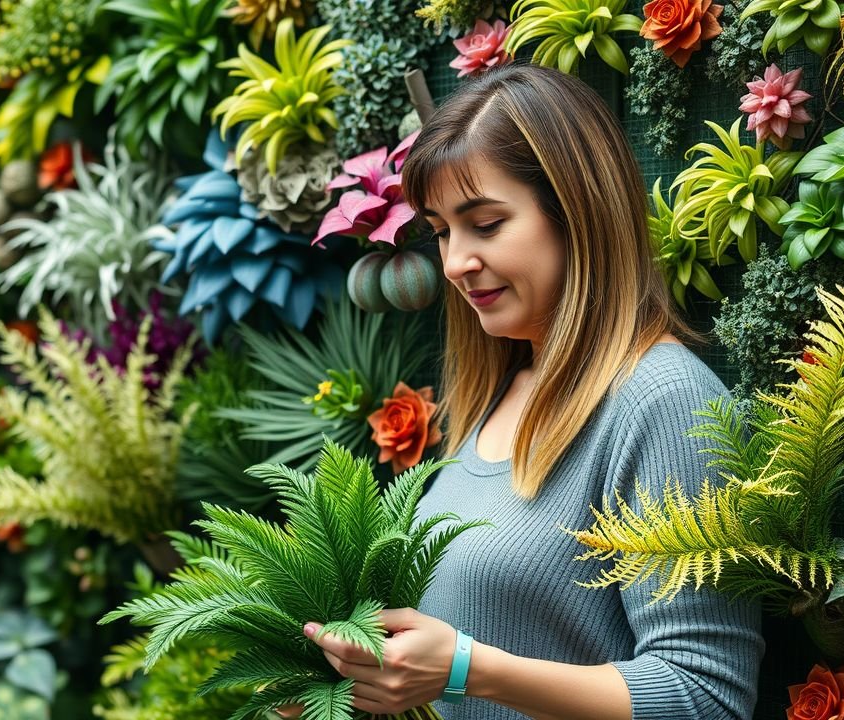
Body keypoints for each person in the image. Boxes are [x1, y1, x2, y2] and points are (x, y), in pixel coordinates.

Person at [297, 63, 764, 720]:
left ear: (577, 211)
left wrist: (467, 668)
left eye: (485, 224)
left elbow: (707, 697)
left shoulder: (664, 401)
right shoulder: (498, 390)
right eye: (441, 231)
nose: (456, 261)